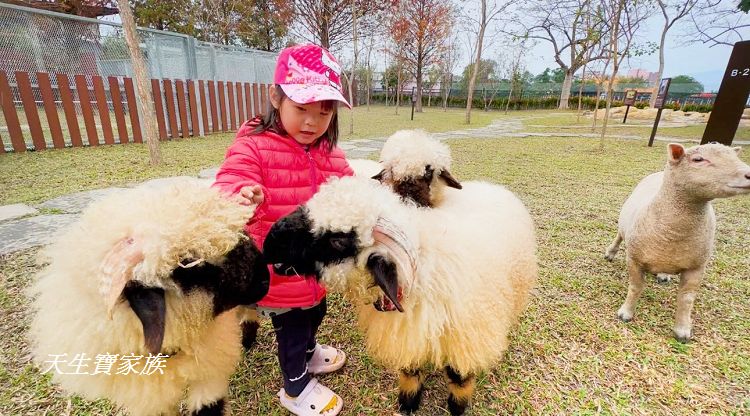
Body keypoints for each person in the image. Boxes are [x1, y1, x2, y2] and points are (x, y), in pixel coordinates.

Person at [212, 43, 353, 416]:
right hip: (276, 271)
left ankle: (309, 353)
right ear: (276, 97)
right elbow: (231, 178)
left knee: (315, 312)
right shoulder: (253, 147)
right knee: (291, 328)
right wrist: (240, 195)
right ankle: (295, 387)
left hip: (315, 266)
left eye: (323, 113)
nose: (311, 122)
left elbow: (352, 189)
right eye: (301, 109)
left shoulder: (330, 153)